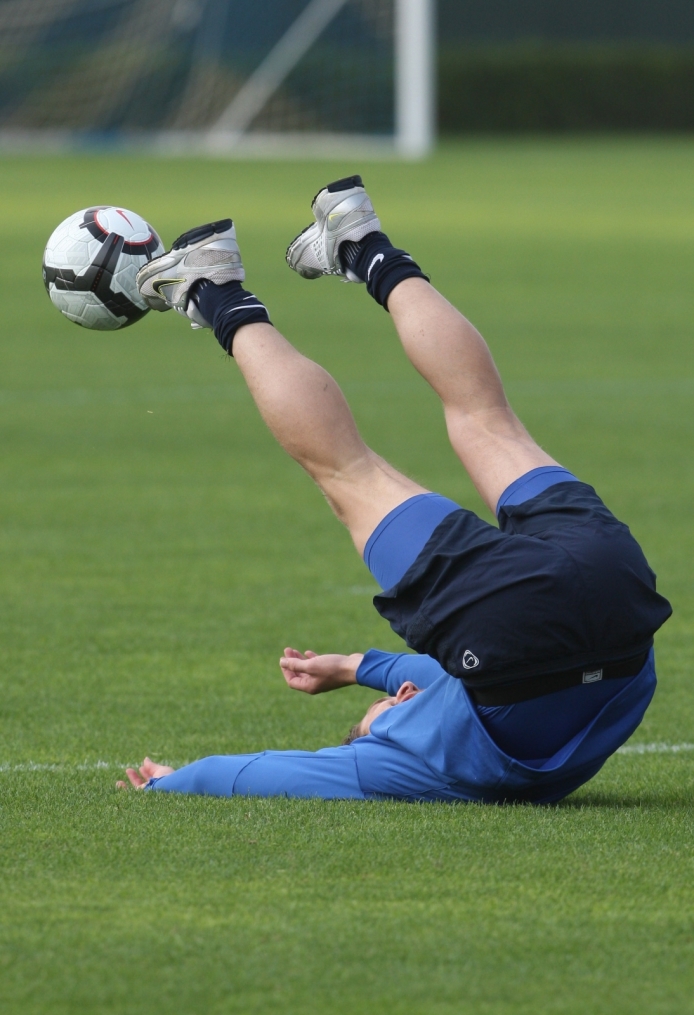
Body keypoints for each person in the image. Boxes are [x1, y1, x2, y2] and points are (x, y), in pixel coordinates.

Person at [119, 176, 671, 804]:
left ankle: (353, 245)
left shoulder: (444, 745)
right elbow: (276, 767)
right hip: (528, 631)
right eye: (372, 723)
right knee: (364, 466)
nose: (371, 723)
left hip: (616, 591)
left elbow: (408, 688)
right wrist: (181, 780)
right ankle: (225, 285)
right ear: (402, 710)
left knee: (471, 425)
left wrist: (354, 669)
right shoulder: (432, 752)